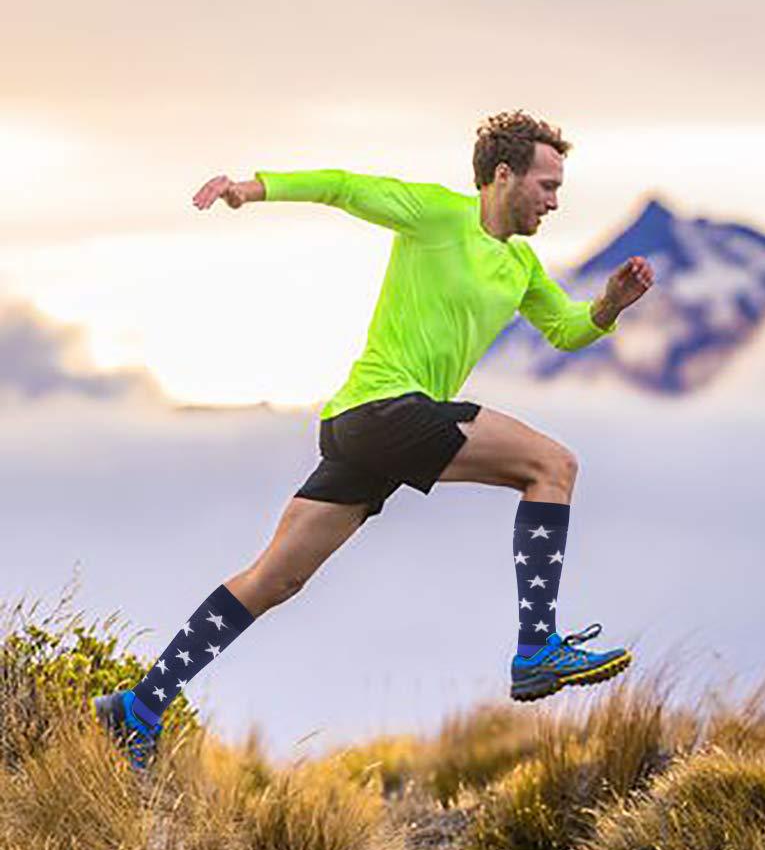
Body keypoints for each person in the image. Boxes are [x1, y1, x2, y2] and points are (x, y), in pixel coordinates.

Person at [93, 110, 655, 769]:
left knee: (275, 579)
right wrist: (253, 187)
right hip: (385, 410)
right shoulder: (437, 214)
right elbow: (343, 185)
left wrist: (611, 303)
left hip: (363, 431)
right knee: (552, 464)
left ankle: (139, 706)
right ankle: (537, 646)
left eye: (558, 189)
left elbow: (565, 328)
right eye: (546, 185)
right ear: (502, 176)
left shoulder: (520, 264)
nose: (554, 201)